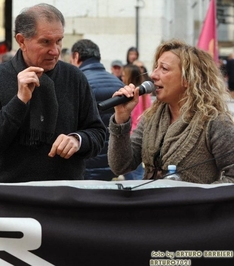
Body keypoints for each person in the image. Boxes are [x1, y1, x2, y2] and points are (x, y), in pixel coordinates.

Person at [0, 4, 106, 183]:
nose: (55, 50)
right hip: (11, 196)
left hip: (65, 194)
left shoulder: (74, 76)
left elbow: (98, 133)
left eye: (59, 40)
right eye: (46, 42)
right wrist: (19, 101)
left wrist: (78, 140)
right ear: (21, 41)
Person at [108, 39, 234, 183]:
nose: (154, 75)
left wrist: (199, 198)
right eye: (155, 67)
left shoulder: (215, 121)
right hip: (152, 204)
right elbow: (120, 166)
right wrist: (121, 119)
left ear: (188, 79)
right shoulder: (151, 118)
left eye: (164, 69)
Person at [70, 39, 124, 181]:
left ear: (76, 57)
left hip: (86, 160)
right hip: (112, 161)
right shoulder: (118, 82)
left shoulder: (77, 82)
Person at [120, 64, 150, 180]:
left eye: (124, 75)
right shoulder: (145, 95)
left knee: (133, 172)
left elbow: (134, 118)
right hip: (141, 134)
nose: (122, 78)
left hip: (132, 135)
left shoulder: (132, 96)